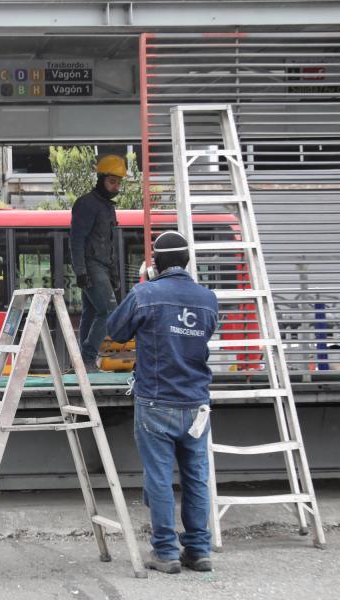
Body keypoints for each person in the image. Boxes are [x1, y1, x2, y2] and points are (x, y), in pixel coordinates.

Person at [106, 231, 219, 574]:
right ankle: (198, 551)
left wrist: (144, 287)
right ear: (187, 261)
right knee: (196, 477)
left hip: (156, 401)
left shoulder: (145, 294)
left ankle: (166, 552)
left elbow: (116, 330)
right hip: (196, 402)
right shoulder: (208, 298)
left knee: (159, 477)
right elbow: (206, 334)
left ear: (155, 263)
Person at [70, 154, 126, 372]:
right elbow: (76, 239)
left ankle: (81, 362)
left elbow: (109, 244)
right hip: (91, 265)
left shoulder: (107, 207)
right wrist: (80, 270)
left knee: (91, 313)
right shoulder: (87, 204)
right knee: (110, 311)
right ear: (101, 178)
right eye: (112, 181)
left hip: (102, 266)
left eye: (118, 182)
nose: (116, 186)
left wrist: (113, 273)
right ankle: (87, 358)